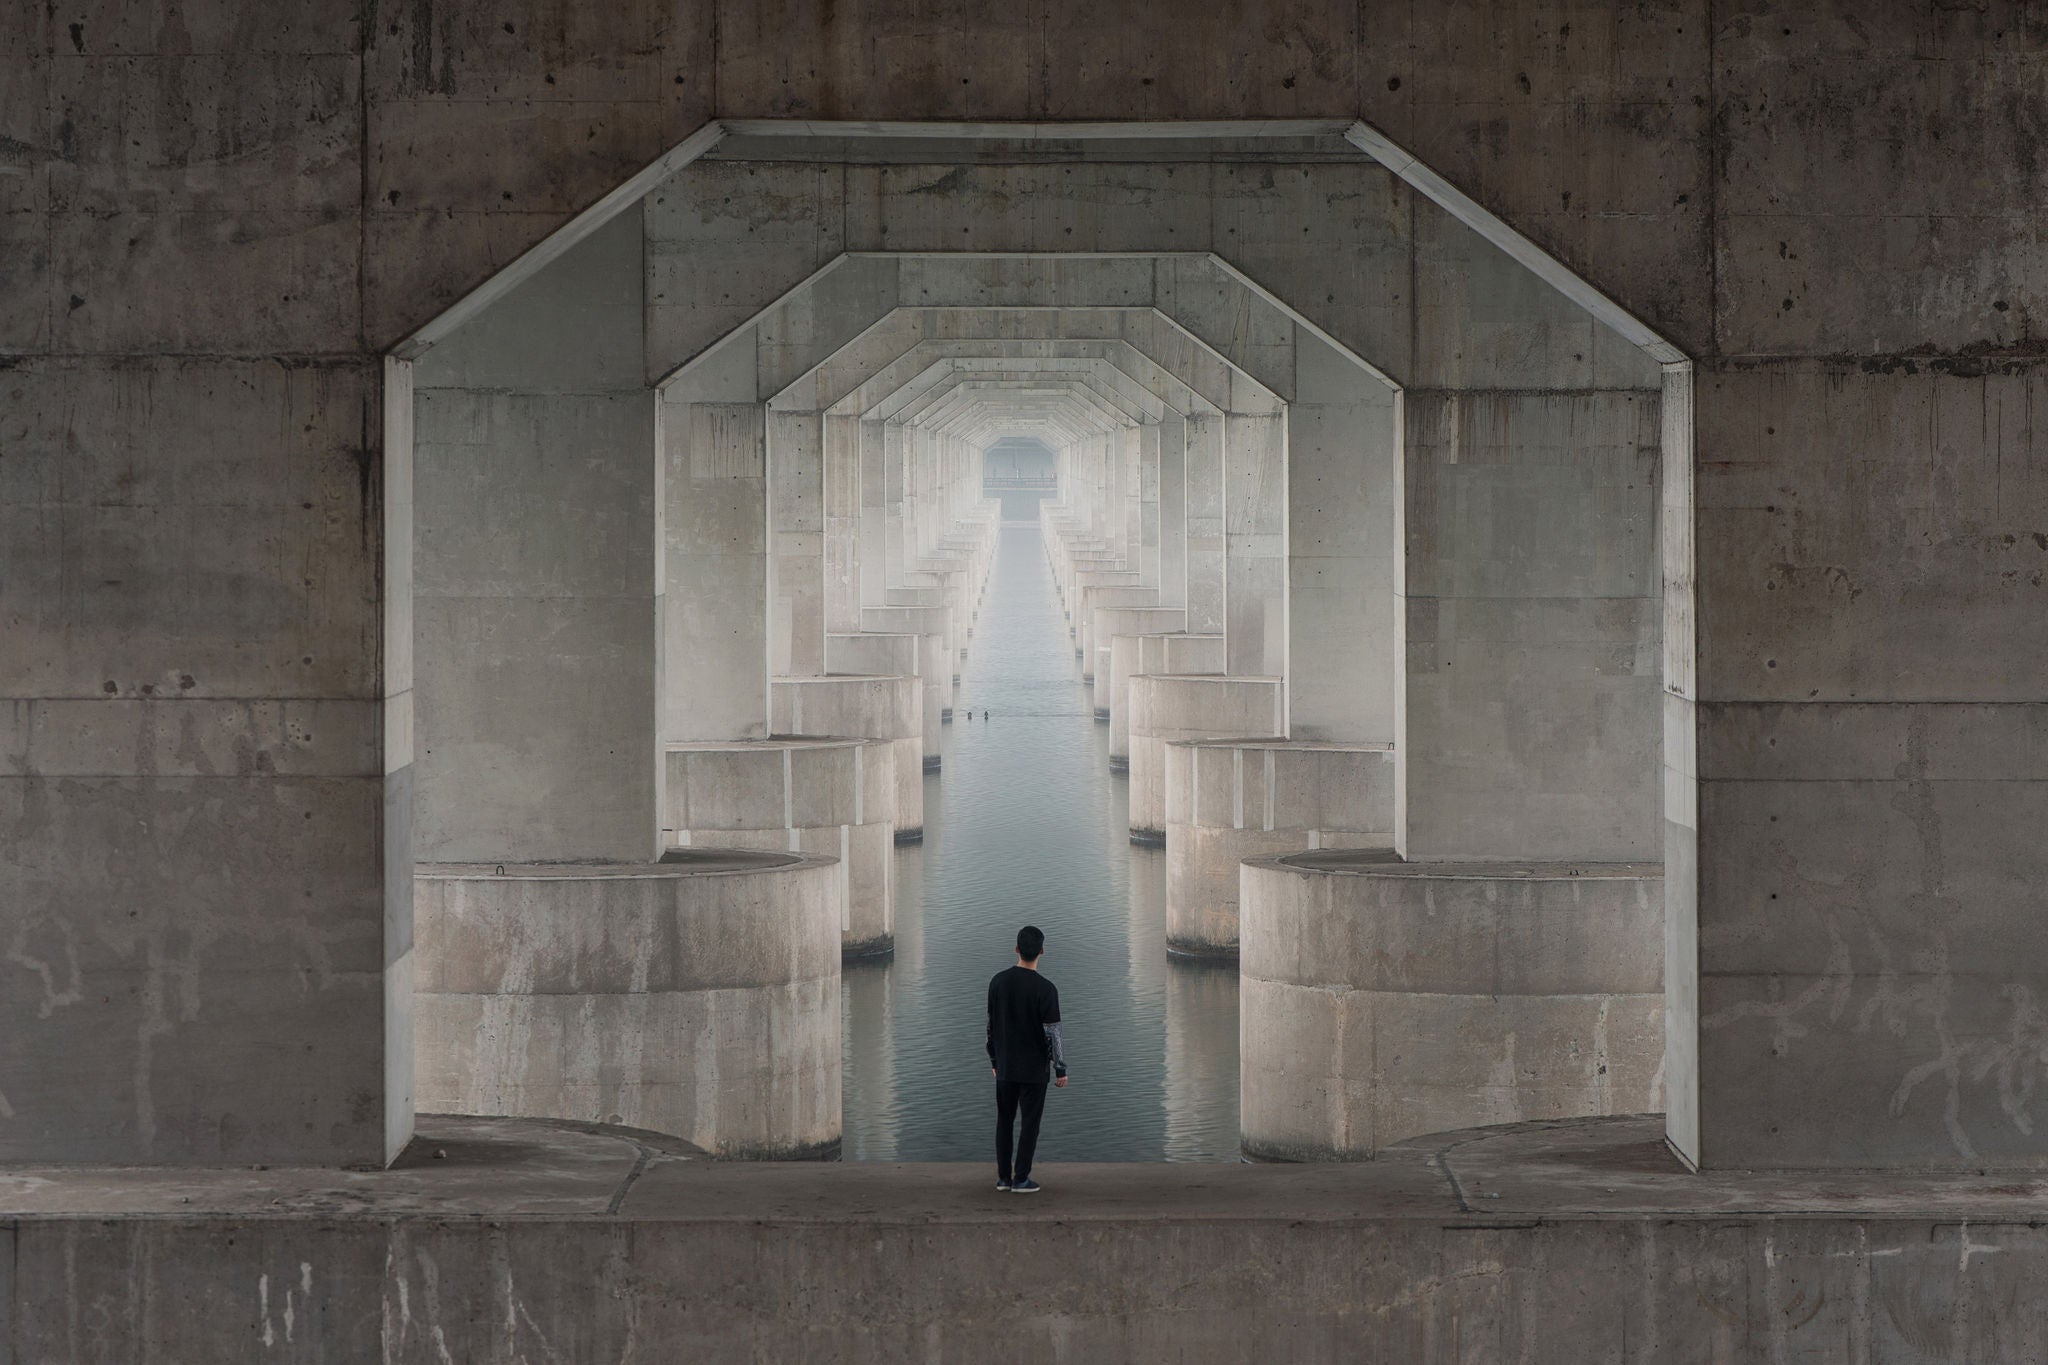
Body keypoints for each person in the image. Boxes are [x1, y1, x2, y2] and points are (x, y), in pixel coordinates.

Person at [986, 924, 1067, 1192]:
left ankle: (1002, 1178)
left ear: (1017, 949)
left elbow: (991, 1027)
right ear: (1042, 951)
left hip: (1006, 1066)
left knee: (1004, 1122)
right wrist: (1059, 1069)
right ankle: (1021, 1178)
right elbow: (1053, 1034)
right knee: (1030, 1125)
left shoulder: (997, 982)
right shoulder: (1047, 989)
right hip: (1034, 1070)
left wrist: (995, 1062)